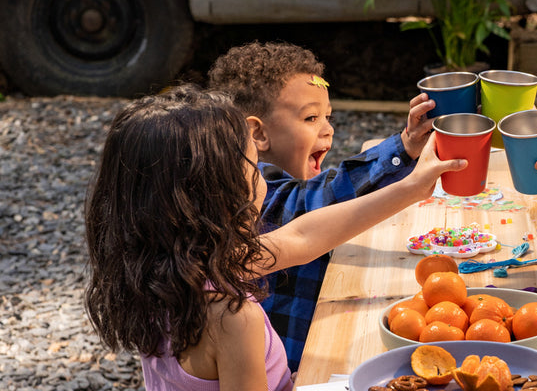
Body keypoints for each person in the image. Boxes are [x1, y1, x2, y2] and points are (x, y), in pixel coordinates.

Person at [83, 85, 464, 389]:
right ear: (221, 192)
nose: (263, 175)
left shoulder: (172, 271)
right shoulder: (232, 318)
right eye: (253, 165)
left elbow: (301, 237)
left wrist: (414, 187)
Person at [207, 41, 438, 370]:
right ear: (257, 133)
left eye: (327, 117)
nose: (328, 129)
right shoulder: (251, 194)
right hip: (289, 368)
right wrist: (402, 149)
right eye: (311, 118)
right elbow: (314, 202)